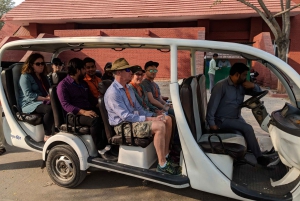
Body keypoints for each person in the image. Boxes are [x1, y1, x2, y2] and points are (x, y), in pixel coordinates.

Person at [105, 58, 180, 175]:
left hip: (133, 121)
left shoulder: (128, 88)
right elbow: (126, 116)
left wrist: (154, 115)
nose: (131, 73)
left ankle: (166, 156)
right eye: (128, 70)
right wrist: (151, 119)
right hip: (123, 126)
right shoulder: (113, 93)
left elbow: (139, 109)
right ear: (119, 72)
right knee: (159, 126)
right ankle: (162, 164)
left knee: (168, 119)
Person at [206, 62, 275, 167]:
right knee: (248, 128)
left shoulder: (241, 85)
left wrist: (253, 86)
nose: (245, 77)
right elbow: (212, 107)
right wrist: (212, 124)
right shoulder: (221, 86)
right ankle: (260, 158)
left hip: (236, 117)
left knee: (247, 131)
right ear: (237, 74)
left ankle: (250, 152)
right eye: (243, 75)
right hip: (222, 120)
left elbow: (258, 93)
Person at [57, 58, 115, 160]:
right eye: (84, 69)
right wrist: (83, 112)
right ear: (78, 70)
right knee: (94, 121)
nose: (86, 71)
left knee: (107, 115)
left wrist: (104, 107)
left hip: (87, 110)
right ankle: (101, 149)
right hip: (74, 115)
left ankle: (110, 145)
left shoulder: (82, 83)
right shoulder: (63, 85)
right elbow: (66, 105)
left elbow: (91, 100)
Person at [18, 53, 54, 142]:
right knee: (49, 109)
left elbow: (49, 89)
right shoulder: (25, 76)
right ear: (31, 64)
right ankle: (47, 135)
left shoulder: (43, 76)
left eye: (42, 63)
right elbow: (28, 95)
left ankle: (58, 129)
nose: (41, 66)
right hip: (29, 103)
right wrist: (45, 98)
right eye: (38, 64)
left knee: (60, 105)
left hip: (42, 101)